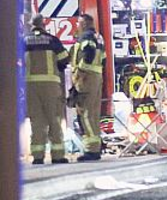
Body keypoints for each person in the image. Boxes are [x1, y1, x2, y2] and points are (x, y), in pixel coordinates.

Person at [24, 15, 71, 164]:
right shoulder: (53, 41)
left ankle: (38, 156)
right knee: (54, 119)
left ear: (31, 25)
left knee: (36, 121)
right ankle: (57, 155)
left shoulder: (23, 41)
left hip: (30, 86)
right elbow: (64, 60)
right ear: (44, 25)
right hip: (51, 85)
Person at [71, 14, 106, 160]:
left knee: (84, 114)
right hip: (96, 77)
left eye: (78, 23)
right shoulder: (98, 37)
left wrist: (80, 71)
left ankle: (91, 150)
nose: (77, 26)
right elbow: (102, 59)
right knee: (93, 114)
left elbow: (88, 54)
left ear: (85, 24)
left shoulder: (86, 37)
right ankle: (96, 147)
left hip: (86, 78)